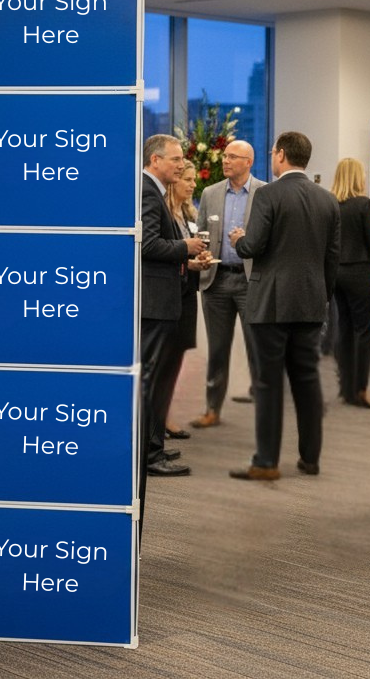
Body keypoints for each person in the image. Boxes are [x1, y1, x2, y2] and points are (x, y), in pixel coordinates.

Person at [228, 131, 340, 481]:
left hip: (271, 304)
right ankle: (311, 459)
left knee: (268, 384)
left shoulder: (268, 194)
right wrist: (322, 296)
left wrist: (238, 240)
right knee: (308, 381)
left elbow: (254, 245)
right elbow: (332, 259)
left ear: (280, 156)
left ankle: (266, 462)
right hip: (310, 303)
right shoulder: (328, 199)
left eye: (273, 151)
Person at [139, 135, 207, 495]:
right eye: (176, 159)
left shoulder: (152, 190)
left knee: (157, 381)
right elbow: (147, 245)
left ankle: (153, 448)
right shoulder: (148, 192)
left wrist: (186, 257)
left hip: (163, 301)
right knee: (151, 382)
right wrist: (185, 247)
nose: (182, 165)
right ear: (155, 159)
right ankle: (150, 454)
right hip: (155, 303)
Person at [191, 140, 265, 429]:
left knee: (257, 348)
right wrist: (203, 252)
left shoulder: (264, 193)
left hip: (251, 281)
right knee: (217, 349)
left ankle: (264, 407)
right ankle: (212, 408)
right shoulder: (210, 193)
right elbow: (202, 234)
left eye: (233, 157)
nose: (226, 161)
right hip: (217, 281)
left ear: (249, 161)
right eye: (225, 156)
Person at [159, 163, 214, 455]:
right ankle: (159, 420)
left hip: (186, 292)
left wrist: (195, 263)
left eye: (194, 180)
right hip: (169, 293)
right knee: (164, 360)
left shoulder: (188, 214)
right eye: (188, 180)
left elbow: (182, 255)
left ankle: (165, 416)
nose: (193, 185)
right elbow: (166, 252)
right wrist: (187, 260)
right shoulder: (165, 213)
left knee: (176, 357)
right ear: (174, 183)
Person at [331, 157, 370, 410]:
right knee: (363, 331)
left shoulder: (330, 203)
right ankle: (361, 390)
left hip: (335, 273)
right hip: (359, 271)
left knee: (344, 329)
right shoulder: (365, 204)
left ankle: (346, 388)